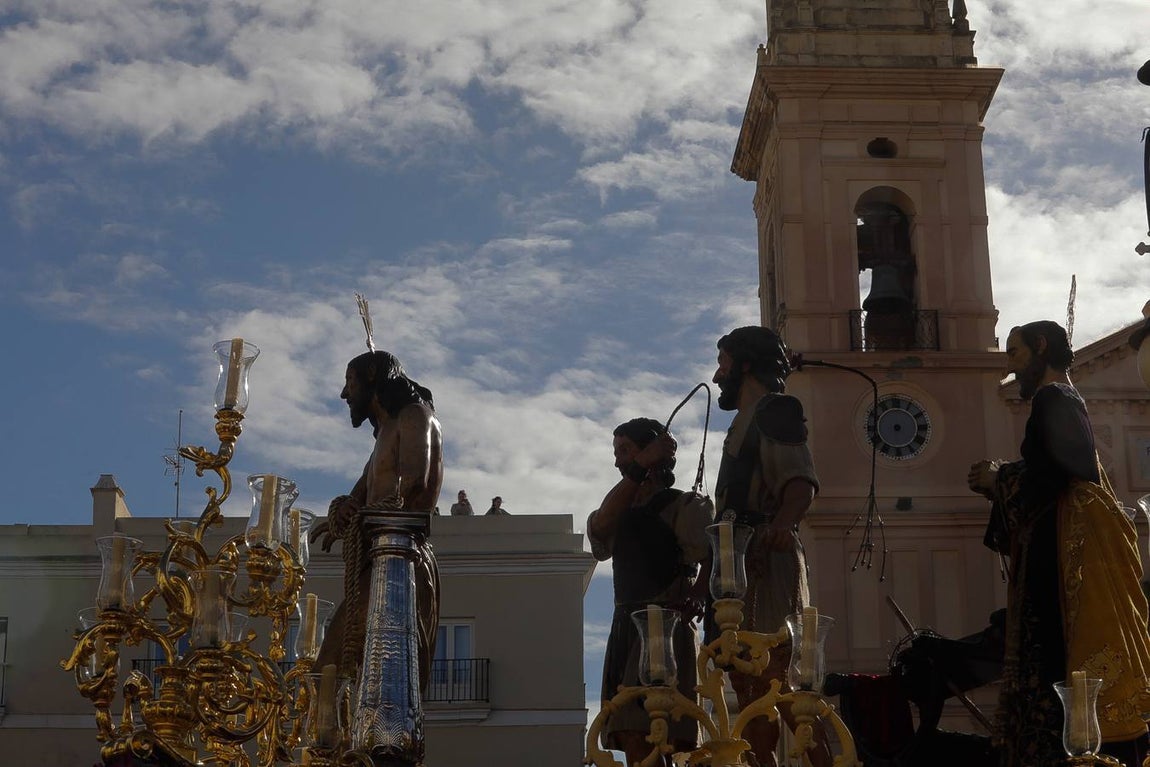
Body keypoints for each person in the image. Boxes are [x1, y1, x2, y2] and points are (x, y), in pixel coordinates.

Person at [969, 321, 1150, 767]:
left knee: (1053, 660)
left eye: (1014, 353)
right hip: (1061, 546)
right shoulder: (1069, 400)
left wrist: (999, 478)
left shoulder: (1054, 398)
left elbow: (1066, 469)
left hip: (1056, 563)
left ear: (1041, 347)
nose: (1010, 366)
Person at [710, 325, 831, 767]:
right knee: (748, 685)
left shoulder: (775, 409)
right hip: (736, 568)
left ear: (743, 364)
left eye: (723, 362)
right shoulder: (742, 422)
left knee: (776, 679)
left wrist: (780, 525)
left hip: (765, 561)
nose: (717, 374)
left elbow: (799, 482)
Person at [312, 349, 443, 690]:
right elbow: (364, 488)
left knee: (348, 673)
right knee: (332, 673)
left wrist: (367, 515)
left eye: (350, 382)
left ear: (372, 375)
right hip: (377, 559)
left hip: (402, 558)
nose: (345, 394)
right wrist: (345, 511)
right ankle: (336, 741)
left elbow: (414, 484)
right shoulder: (385, 432)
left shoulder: (415, 417)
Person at [587, 418, 712, 766]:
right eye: (616, 452)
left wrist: (698, 591)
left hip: (663, 627)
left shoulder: (684, 506)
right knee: (630, 733)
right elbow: (599, 528)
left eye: (625, 450)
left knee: (652, 731)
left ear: (651, 450)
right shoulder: (620, 507)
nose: (617, 461)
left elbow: (711, 556)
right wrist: (639, 466)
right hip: (626, 624)